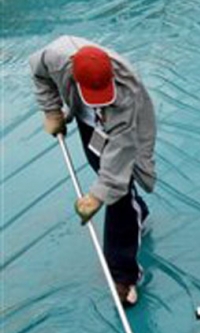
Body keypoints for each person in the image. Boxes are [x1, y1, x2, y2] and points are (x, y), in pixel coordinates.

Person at [29, 36, 156, 308]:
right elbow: (39, 75)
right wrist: (51, 110)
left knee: (117, 192)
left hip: (123, 127)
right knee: (105, 175)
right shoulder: (55, 57)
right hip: (91, 126)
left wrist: (98, 196)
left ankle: (124, 276)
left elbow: (121, 149)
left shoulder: (126, 89)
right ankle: (138, 213)